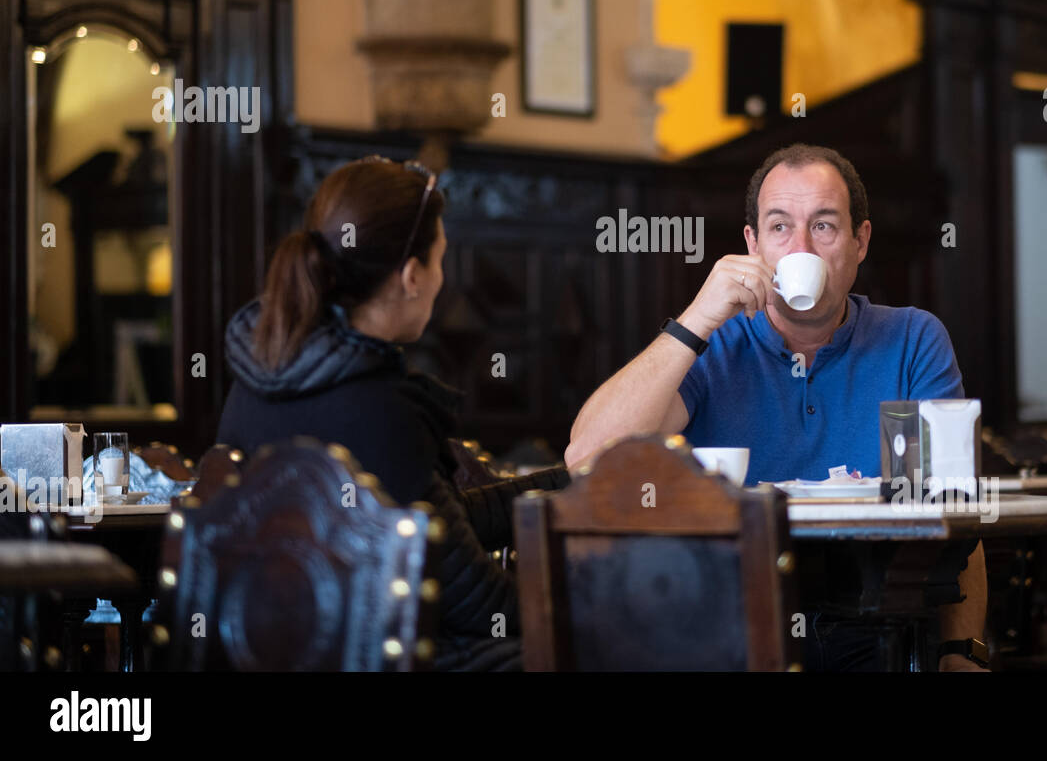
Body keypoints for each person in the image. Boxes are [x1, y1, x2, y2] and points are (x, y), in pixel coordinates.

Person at [566, 143, 987, 671]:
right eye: (780, 227)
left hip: (879, 625)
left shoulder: (911, 340)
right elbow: (586, 459)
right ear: (753, 244)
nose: (800, 249)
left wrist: (960, 654)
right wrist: (696, 319)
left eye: (825, 226)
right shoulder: (709, 346)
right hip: (725, 632)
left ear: (861, 242)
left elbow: (953, 515)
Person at [215, 156, 567, 671]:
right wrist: (587, 607)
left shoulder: (260, 380)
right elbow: (478, 605)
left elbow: (439, 527)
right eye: (441, 260)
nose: (443, 279)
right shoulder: (379, 406)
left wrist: (571, 482)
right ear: (410, 277)